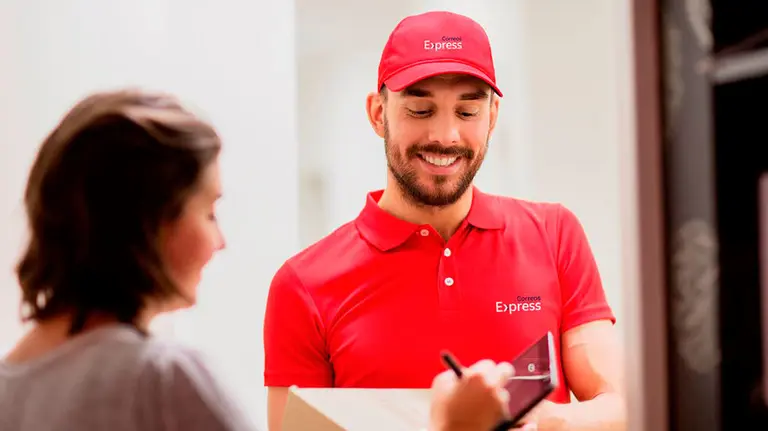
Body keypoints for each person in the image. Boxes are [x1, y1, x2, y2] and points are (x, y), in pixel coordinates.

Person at [0, 89, 524, 431]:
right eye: (209, 212)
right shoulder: (159, 380)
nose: (219, 242)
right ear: (149, 222)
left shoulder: (10, 388)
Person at [263, 10, 626, 431]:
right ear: (378, 113)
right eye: (420, 110)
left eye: (467, 112)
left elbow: (620, 408)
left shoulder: (555, 234)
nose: (446, 135)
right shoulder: (302, 285)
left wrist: (534, 424)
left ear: (492, 116)